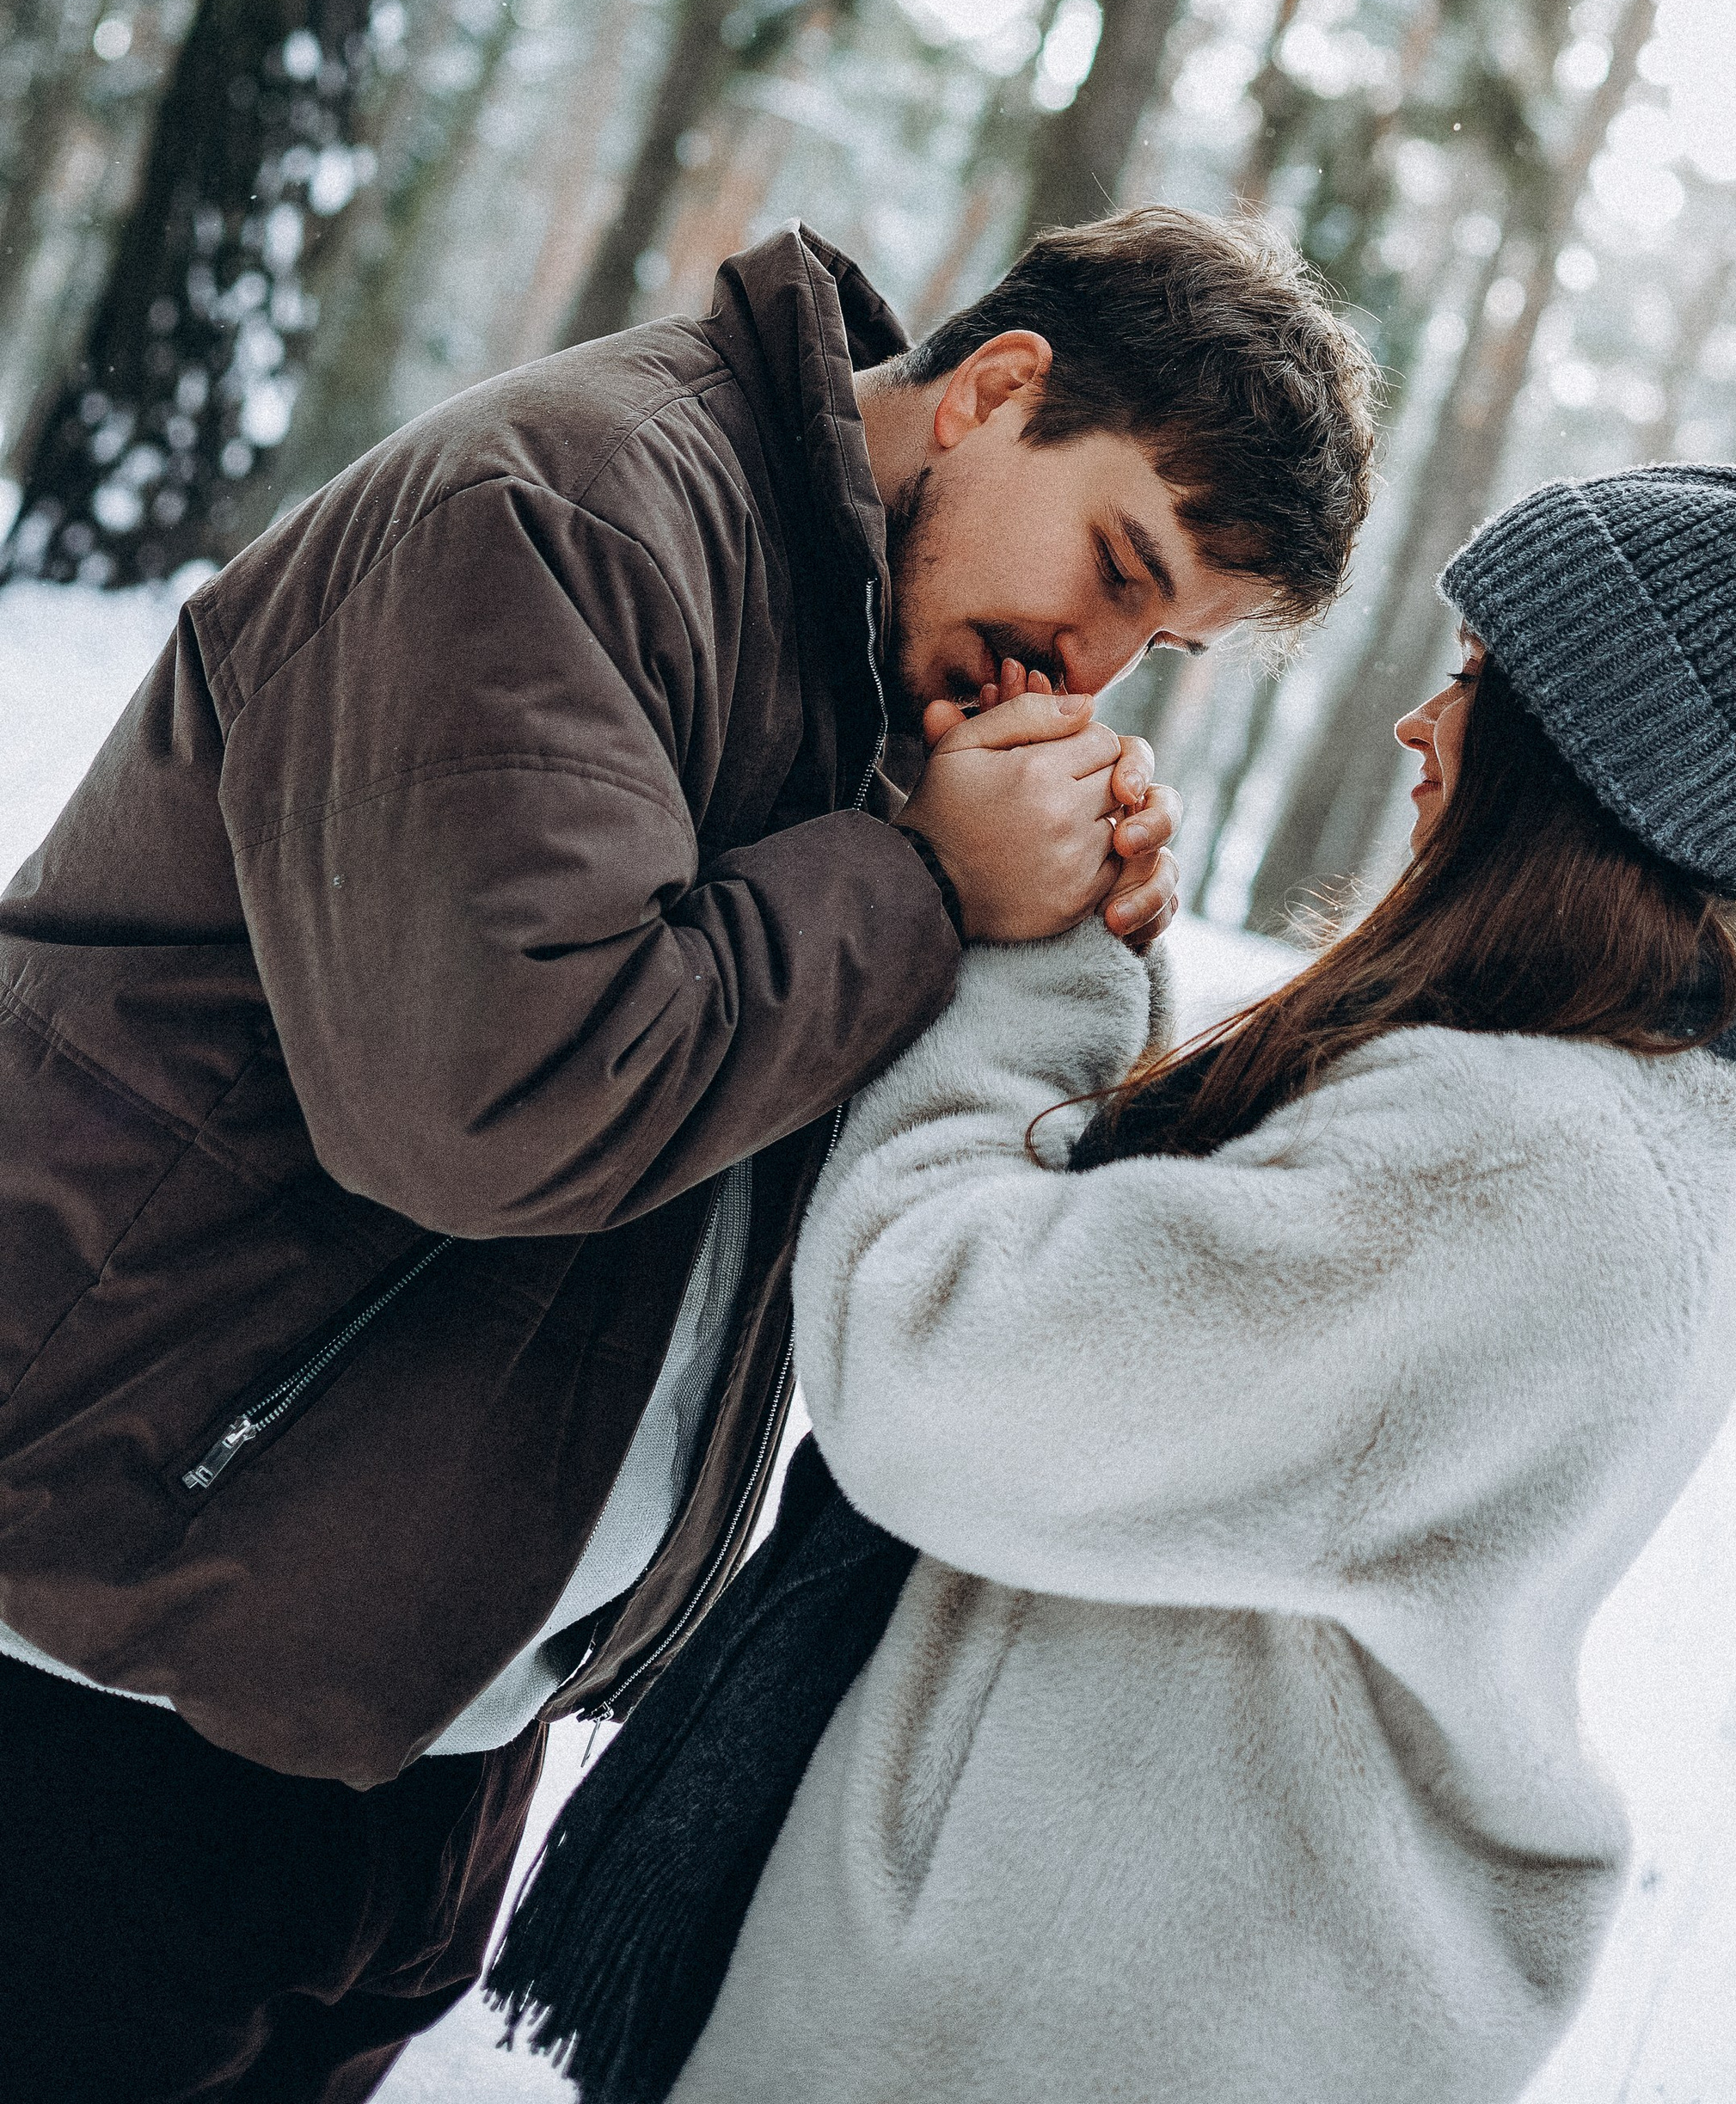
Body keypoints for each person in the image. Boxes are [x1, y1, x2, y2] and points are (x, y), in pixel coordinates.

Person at [0, 207, 1378, 2103]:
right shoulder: (563, 513)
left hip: (411, 1713)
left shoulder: (867, 652)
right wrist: (919, 878)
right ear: (993, 391)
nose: (1094, 662)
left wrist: (1053, 934)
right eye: (1115, 570)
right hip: (104, 1659)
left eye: (1162, 645)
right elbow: (490, 1097)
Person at [666, 446, 1736, 2104]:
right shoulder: (1595, 1127)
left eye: (1474, 680)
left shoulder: (1520, 1166)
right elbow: (1192, 1327)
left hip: (1062, 2012)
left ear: (1577, 754)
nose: (1421, 723)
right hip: (1162, 1982)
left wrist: (1026, 962)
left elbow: (940, 1367)